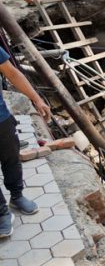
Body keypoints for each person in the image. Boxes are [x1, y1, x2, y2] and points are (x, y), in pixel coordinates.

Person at [0, 51, 52, 237]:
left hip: (1, 118)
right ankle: (2, 213)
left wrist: (37, 99)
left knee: (11, 158)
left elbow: (12, 73)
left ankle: (17, 196)